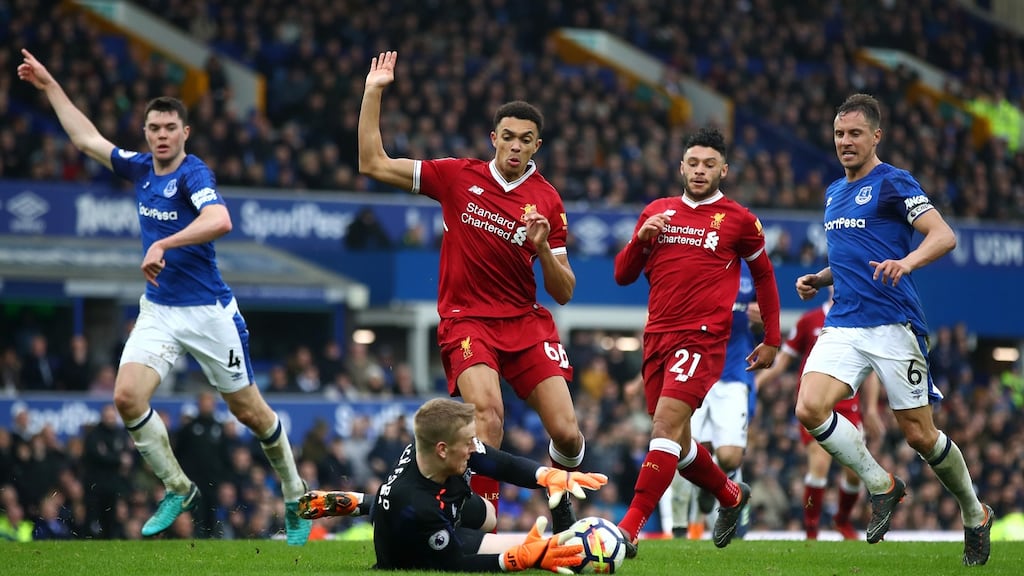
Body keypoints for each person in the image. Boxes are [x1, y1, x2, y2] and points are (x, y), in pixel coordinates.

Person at [17, 49, 313, 545]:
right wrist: (49, 86)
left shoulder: (193, 173)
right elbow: (87, 139)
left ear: (184, 133)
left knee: (252, 414)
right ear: (147, 132)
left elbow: (220, 220)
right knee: (127, 398)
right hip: (159, 310)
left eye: (169, 127)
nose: (160, 135)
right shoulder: (140, 170)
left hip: (208, 313)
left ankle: (295, 493)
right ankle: (178, 487)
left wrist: (163, 242)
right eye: (154, 127)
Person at [358, 51, 585, 532]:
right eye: (508, 137)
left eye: (526, 140)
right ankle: (485, 526)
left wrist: (543, 250)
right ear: (494, 139)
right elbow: (372, 163)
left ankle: (560, 490)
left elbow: (563, 292)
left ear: (537, 145)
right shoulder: (456, 176)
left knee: (567, 434)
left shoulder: (548, 200)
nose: (515, 147)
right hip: (468, 320)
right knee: (488, 416)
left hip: (524, 321)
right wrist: (374, 91)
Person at [793, 93, 992, 565]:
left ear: (876, 136)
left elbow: (943, 235)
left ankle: (973, 512)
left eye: (855, 134)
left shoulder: (893, 182)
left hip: (893, 323)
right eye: (840, 134)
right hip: (843, 322)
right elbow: (850, 256)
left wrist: (906, 262)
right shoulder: (833, 193)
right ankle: (881, 485)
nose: (845, 142)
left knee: (921, 436)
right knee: (809, 407)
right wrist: (820, 278)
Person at [613, 127, 782, 555]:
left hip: (703, 339)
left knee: (664, 428)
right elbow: (623, 275)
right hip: (657, 337)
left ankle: (626, 530)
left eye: (710, 164)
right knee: (681, 443)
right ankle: (729, 495)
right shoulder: (657, 211)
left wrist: (773, 338)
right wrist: (640, 239)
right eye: (693, 163)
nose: (700, 170)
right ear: (681, 167)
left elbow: (763, 275)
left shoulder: (739, 219)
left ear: (723, 169)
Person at [299, 398, 608, 572]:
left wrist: (545, 475)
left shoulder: (435, 449)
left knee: (489, 515)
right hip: (414, 552)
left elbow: (501, 463)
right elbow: (455, 563)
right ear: (443, 449)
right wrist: (521, 559)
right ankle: (360, 503)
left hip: (431, 503)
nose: (475, 447)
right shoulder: (419, 505)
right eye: (468, 443)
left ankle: (353, 502)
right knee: (533, 549)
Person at [754, 287, 882, 540]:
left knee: (854, 472)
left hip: (848, 405)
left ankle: (841, 520)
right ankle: (811, 529)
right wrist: (759, 381)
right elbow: (784, 360)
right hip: (814, 404)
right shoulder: (809, 320)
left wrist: (870, 408)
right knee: (819, 463)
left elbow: (870, 369)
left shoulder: (859, 323)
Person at [660, 262, 762, 539]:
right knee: (682, 446)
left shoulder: (751, 270)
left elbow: (764, 323)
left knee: (729, 456)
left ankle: (708, 486)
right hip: (696, 368)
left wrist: (763, 321)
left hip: (732, 374)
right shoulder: (697, 259)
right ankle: (679, 528)